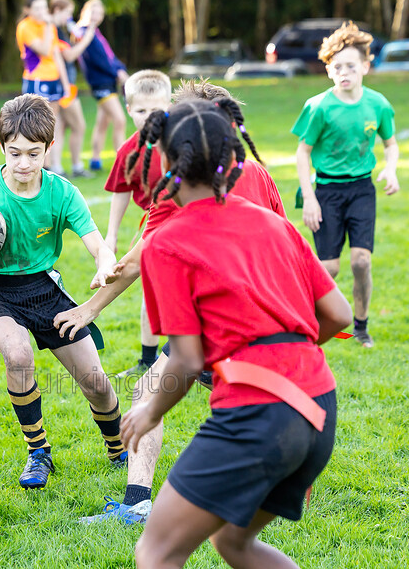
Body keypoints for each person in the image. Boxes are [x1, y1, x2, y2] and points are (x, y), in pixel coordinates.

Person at [121, 99, 352, 568]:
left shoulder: (166, 242)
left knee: (156, 551)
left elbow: (185, 360)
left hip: (260, 415)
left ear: (167, 161)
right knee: (232, 542)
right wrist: (288, 358)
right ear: (233, 159)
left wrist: (148, 411)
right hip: (319, 407)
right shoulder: (273, 223)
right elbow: (340, 314)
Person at [57, 81, 287, 524]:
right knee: (240, 407)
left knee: (155, 397)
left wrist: (90, 309)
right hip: (260, 323)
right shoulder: (257, 173)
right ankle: (273, 480)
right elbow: (282, 242)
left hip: (213, 325)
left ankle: (141, 503)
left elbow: (139, 257)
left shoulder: (177, 184)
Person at [0, 94, 125, 490]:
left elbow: (97, 242)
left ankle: (118, 448)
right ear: (1, 146)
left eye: (33, 154)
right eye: (14, 152)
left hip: (44, 288)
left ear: (50, 148)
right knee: (18, 355)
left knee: (96, 383)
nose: (23, 164)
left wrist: (104, 263)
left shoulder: (62, 192)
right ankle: (38, 453)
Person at [293, 21, 399, 348]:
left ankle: (362, 326)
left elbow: (391, 144)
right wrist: (309, 199)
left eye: (351, 66)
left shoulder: (378, 104)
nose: (344, 72)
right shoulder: (319, 106)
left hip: (362, 189)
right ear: (328, 71)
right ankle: (307, 325)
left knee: (361, 261)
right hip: (325, 189)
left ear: (366, 67)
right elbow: (302, 153)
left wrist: (391, 169)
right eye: (337, 66)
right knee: (329, 268)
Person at [103, 69, 173, 378]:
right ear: (128, 109)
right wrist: (111, 236)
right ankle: (147, 360)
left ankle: (200, 358)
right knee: (152, 295)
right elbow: (120, 192)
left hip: (191, 225)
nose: (147, 117)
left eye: (155, 110)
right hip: (154, 231)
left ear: (169, 106)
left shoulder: (183, 138)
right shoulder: (128, 150)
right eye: (140, 110)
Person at [16, 0, 72, 175]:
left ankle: (52, 166)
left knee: (53, 123)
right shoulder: (26, 27)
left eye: (43, 7)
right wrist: (49, 24)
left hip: (54, 78)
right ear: (27, 10)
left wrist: (65, 83)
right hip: (37, 80)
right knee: (37, 123)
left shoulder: (49, 27)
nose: (42, 11)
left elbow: (56, 54)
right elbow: (46, 50)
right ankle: (41, 166)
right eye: (37, 8)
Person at [74, 0, 129, 171]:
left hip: (108, 81)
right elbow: (99, 60)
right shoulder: (82, 32)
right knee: (120, 120)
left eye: (100, 12)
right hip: (101, 83)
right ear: (85, 12)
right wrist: (117, 73)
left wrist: (121, 69)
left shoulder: (95, 32)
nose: (97, 15)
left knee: (102, 123)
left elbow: (109, 57)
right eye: (93, 11)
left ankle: (95, 160)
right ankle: (122, 162)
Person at [49, 0, 96, 179]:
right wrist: (87, 38)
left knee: (58, 127)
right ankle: (75, 166)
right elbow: (69, 56)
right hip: (64, 86)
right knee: (78, 125)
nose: (69, 17)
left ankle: (57, 167)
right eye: (67, 12)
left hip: (61, 85)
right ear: (57, 10)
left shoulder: (56, 29)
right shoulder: (53, 30)